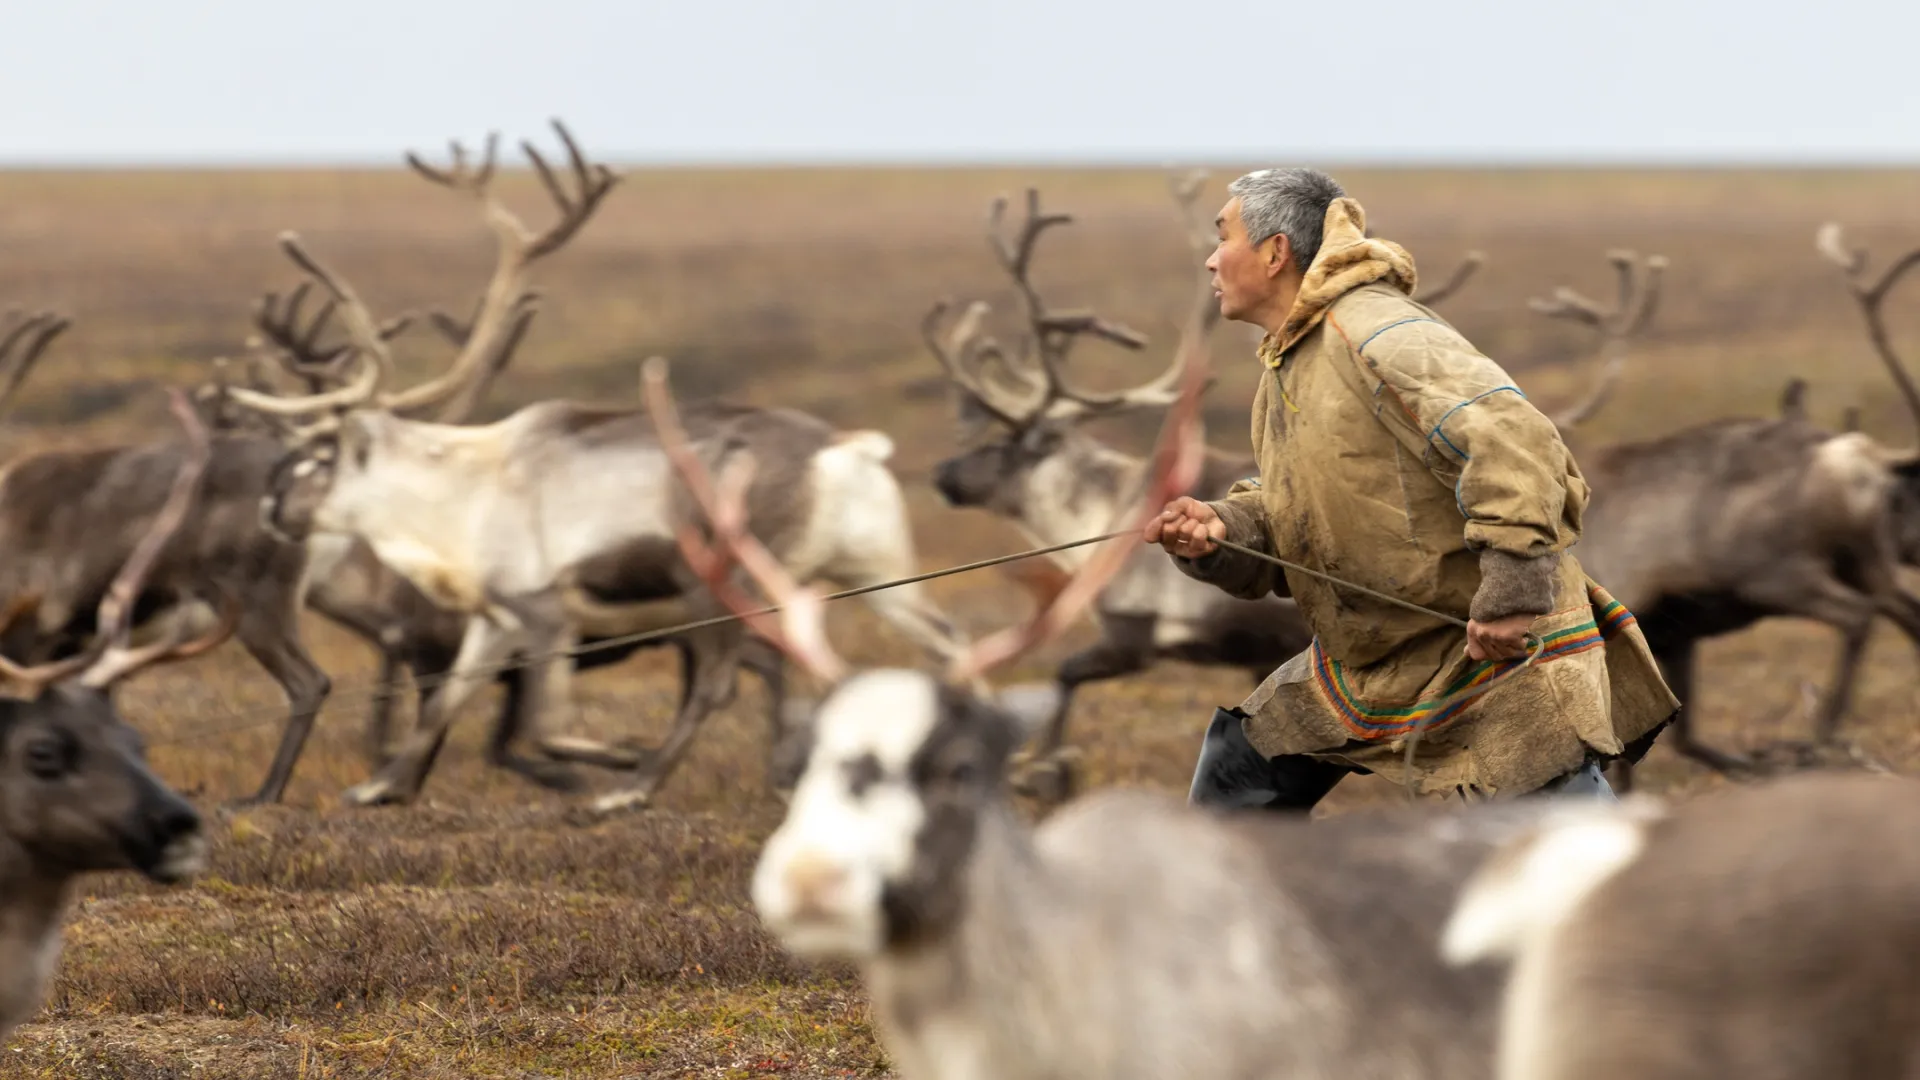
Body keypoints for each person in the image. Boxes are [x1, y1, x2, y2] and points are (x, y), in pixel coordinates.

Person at [1144, 167, 1678, 811]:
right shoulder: (1289, 365)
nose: (1210, 260)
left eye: (1222, 236)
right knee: (1242, 769)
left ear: (1275, 252)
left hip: (1484, 649)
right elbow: (1302, 513)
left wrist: (1512, 591)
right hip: (1374, 660)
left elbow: (1517, 444)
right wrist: (1222, 531)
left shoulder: (1379, 333)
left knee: (1567, 853)